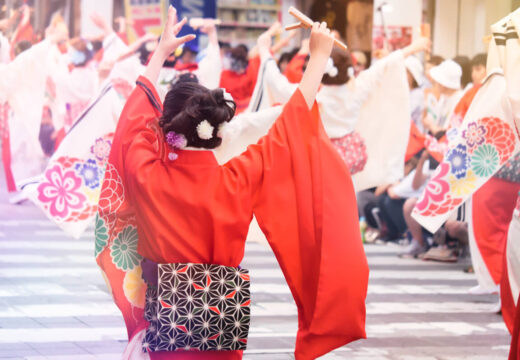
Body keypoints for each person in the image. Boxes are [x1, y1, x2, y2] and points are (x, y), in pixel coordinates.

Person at [97, 8, 368, 359]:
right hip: (221, 307)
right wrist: (317, 56)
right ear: (218, 133)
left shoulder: (148, 175)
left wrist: (159, 54)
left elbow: (135, 121)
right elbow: (291, 124)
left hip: (167, 308)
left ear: (166, 129)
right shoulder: (238, 177)